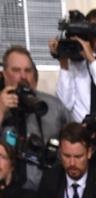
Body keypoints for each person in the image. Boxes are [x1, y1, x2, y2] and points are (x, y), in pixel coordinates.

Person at [0, 46, 71, 189]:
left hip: (46, 192)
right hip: (6, 194)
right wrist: (1, 110)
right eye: (16, 70)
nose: (23, 76)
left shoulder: (53, 106)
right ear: (4, 75)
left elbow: (74, 142)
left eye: (28, 71)